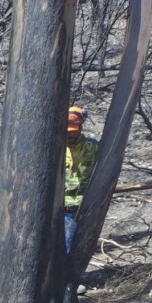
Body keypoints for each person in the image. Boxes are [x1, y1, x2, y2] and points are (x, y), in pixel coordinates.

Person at [64, 105, 99, 253]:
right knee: (66, 241)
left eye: (73, 131)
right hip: (63, 205)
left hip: (86, 203)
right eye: (67, 131)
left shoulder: (93, 147)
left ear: (80, 127)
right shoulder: (57, 148)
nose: (70, 135)